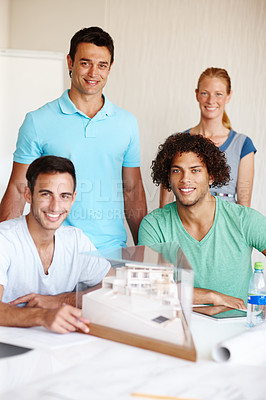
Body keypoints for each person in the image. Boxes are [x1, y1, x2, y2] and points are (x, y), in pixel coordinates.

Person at [0, 26, 147, 249]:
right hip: (53, 250)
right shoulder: (37, 121)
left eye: (102, 65)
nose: (93, 73)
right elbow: (19, 188)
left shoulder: (127, 123)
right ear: (70, 62)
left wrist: (143, 250)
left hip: (111, 251)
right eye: (85, 62)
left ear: (110, 68)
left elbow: (133, 189)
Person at [139, 133, 266, 308]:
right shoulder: (154, 225)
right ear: (168, 177)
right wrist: (211, 296)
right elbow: (148, 286)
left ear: (211, 176)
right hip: (179, 327)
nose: (185, 179)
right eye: (177, 170)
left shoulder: (245, 220)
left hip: (238, 329)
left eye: (195, 170)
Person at [0, 156, 111, 333]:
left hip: (58, 347)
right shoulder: (4, 239)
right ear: (28, 194)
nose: (55, 206)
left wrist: (60, 300)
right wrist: (43, 316)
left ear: (73, 198)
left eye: (64, 196)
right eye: (46, 194)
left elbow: (113, 284)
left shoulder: (76, 240)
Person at [160, 67, 256, 208]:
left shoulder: (242, 145)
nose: (211, 100)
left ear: (228, 96)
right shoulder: (177, 143)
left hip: (226, 227)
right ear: (197, 94)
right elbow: (165, 205)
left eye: (218, 94)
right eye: (205, 93)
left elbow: (244, 206)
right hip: (185, 226)